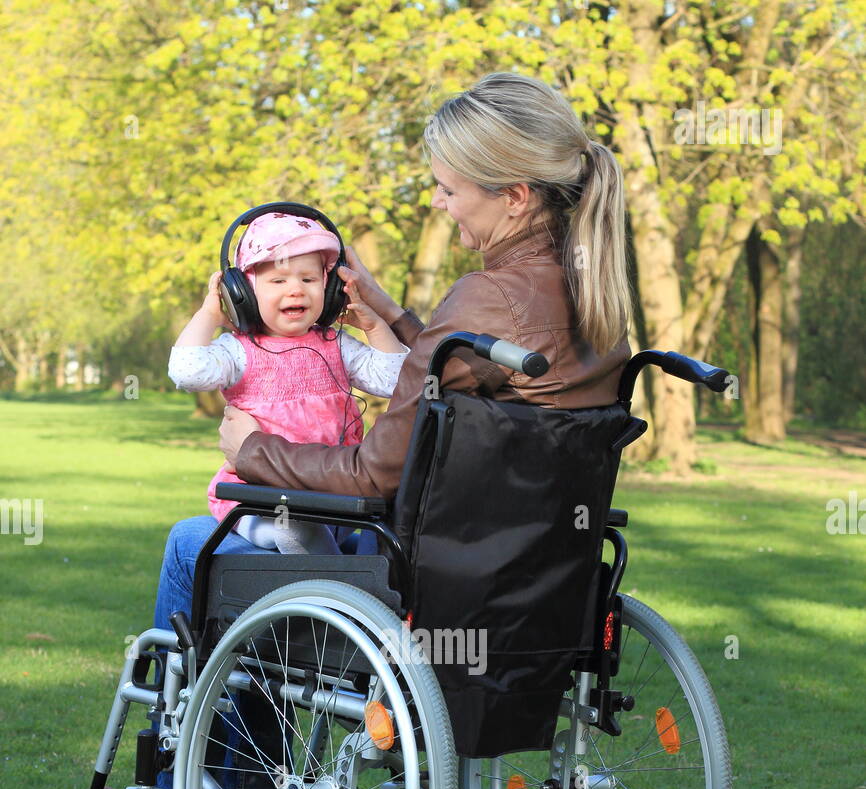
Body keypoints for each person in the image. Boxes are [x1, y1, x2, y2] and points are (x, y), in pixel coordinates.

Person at [154, 69, 632, 633]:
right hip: (533, 589)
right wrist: (387, 309)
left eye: (450, 190)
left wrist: (252, 449)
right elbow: (451, 364)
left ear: (515, 198)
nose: (437, 202)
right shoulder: (594, 302)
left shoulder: (487, 299)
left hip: (421, 588)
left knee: (192, 540)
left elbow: (370, 475)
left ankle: (201, 723)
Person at [167, 210, 409, 556]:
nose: (296, 289)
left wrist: (375, 327)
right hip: (261, 503)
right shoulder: (239, 351)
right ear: (243, 295)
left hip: (335, 497)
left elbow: (395, 380)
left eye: (309, 280)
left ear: (331, 292)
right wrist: (208, 315)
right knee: (290, 525)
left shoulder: (334, 344)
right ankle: (324, 568)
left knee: (385, 517)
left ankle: (346, 578)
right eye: (278, 281)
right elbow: (187, 371)